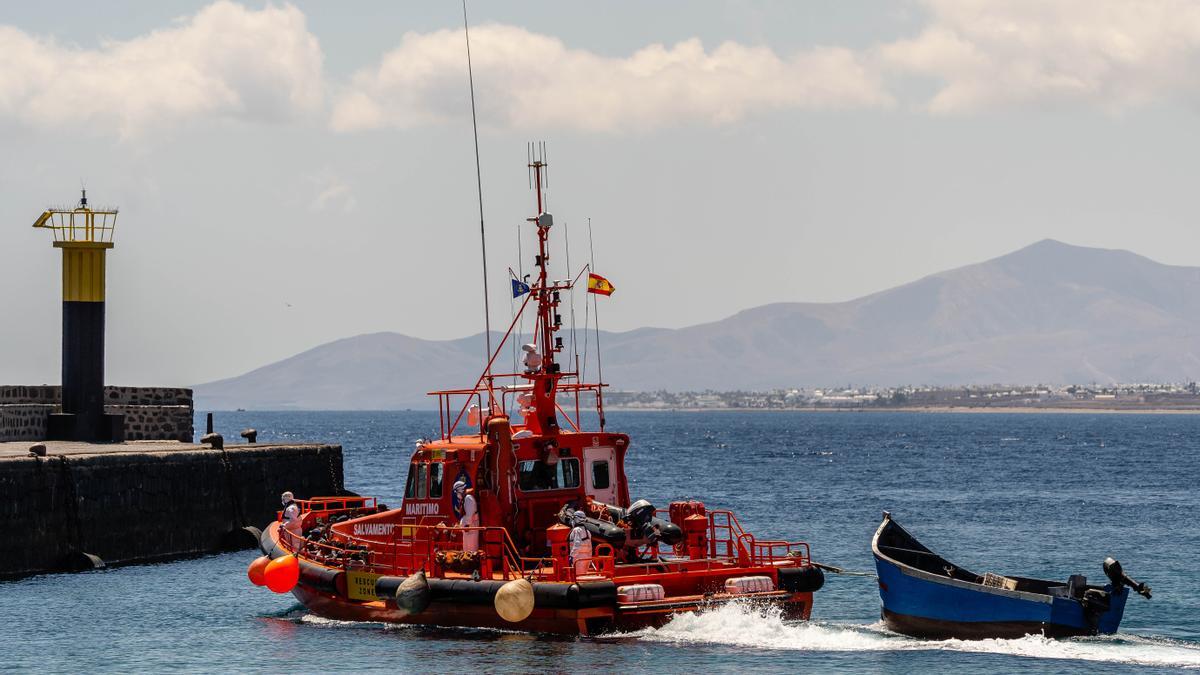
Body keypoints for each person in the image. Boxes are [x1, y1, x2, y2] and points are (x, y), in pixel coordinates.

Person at [454, 481, 480, 552]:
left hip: (471, 529)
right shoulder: (465, 499)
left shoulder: (468, 499)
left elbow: (469, 517)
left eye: (457, 492)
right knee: (466, 551)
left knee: (471, 551)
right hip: (468, 530)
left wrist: (461, 525)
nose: (457, 494)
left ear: (460, 490)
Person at [568, 510, 593, 578]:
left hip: (578, 558)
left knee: (578, 577)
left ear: (576, 519)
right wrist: (590, 559)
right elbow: (590, 547)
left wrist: (571, 556)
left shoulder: (576, 530)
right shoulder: (587, 531)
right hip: (586, 557)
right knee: (584, 576)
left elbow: (577, 544)